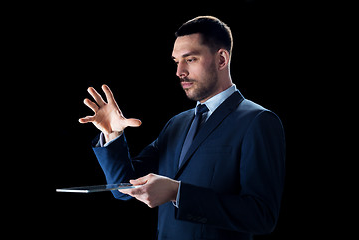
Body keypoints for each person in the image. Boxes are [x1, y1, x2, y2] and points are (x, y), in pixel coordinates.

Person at [79, 16, 285, 240]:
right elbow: (124, 189)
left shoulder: (258, 121)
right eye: (176, 61)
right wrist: (113, 134)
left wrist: (178, 193)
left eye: (190, 59)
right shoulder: (176, 124)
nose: (179, 72)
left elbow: (261, 216)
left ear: (222, 59)